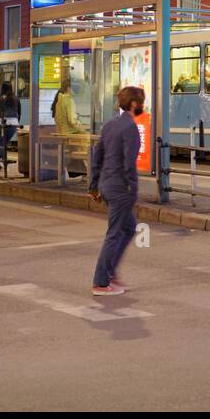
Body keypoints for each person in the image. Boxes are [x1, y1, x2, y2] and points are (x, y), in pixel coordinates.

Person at [89, 86, 145, 296]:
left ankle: (110, 274)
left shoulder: (110, 125)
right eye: (141, 102)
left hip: (107, 184)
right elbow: (129, 161)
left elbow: (98, 156)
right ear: (133, 104)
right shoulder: (129, 127)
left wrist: (93, 186)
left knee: (129, 228)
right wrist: (133, 187)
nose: (143, 106)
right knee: (114, 233)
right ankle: (101, 282)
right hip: (121, 187)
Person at [0, 81, 20, 166]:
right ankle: (1, 161)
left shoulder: (1, 98)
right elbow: (19, 111)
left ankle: (3, 161)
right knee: (5, 143)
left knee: (1, 143)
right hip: (15, 122)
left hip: (4, 122)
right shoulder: (16, 98)